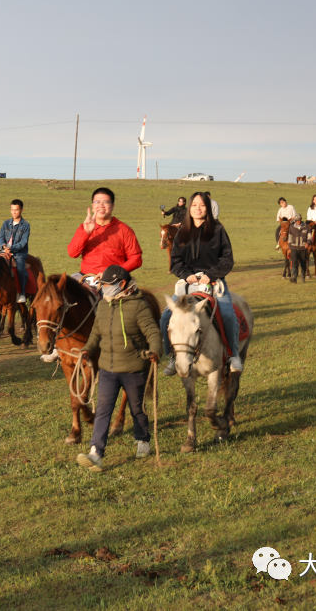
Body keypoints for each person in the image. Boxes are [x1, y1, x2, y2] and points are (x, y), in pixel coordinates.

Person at [75, 265, 162, 472]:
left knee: (137, 409)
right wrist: (87, 349)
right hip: (107, 368)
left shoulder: (138, 305)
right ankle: (96, 453)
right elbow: (96, 333)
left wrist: (155, 350)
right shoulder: (103, 305)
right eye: (103, 284)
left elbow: (152, 332)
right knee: (103, 410)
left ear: (122, 284)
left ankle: (143, 440)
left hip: (134, 368)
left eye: (108, 284)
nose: (104, 288)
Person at [160, 192, 243, 374]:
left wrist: (211, 275)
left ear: (208, 208)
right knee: (165, 317)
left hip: (214, 282)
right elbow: (175, 260)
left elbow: (227, 259)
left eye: (202, 205)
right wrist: (186, 274)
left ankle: (233, 355)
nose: (198, 208)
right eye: (194, 205)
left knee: (228, 315)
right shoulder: (182, 231)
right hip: (188, 283)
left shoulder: (218, 230)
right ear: (189, 208)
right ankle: (172, 357)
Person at [67, 187, 143, 281]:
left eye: (106, 202)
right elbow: (72, 253)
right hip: (86, 276)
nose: (101, 206)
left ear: (112, 206)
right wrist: (86, 233)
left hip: (114, 279)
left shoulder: (125, 230)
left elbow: (136, 259)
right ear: (92, 206)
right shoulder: (84, 227)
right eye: (97, 202)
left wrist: (113, 272)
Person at [0, 199, 31, 303]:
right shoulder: (6, 223)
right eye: (12, 210)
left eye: (16, 210)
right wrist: (3, 246)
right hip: (4, 250)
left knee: (20, 270)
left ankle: (22, 294)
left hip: (19, 253)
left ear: (22, 210)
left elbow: (23, 242)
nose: (14, 212)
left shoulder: (26, 225)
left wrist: (11, 248)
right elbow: (0, 238)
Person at [287, 216, 310, 283]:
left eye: (298, 220)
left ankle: (303, 277)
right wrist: (289, 248)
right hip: (294, 248)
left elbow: (310, 237)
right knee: (294, 263)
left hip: (303, 248)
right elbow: (290, 238)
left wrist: (308, 243)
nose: (297, 222)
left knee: (303, 263)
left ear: (301, 219)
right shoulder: (291, 227)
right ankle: (294, 278)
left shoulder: (307, 227)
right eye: (296, 220)